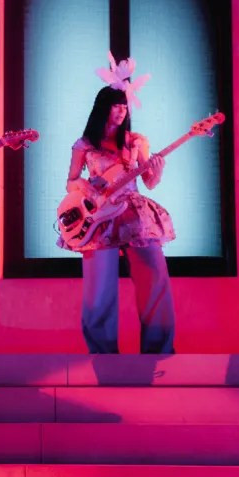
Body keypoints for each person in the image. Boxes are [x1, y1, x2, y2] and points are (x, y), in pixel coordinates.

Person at [62, 56, 176, 354]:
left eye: (124, 105)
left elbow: (149, 181)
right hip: (99, 216)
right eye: (116, 105)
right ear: (103, 108)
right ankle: (102, 356)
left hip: (135, 213)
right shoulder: (85, 144)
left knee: (154, 277)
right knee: (99, 290)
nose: (121, 110)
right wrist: (88, 188)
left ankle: (160, 353)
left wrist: (157, 168)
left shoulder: (136, 141)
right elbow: (71, 181)